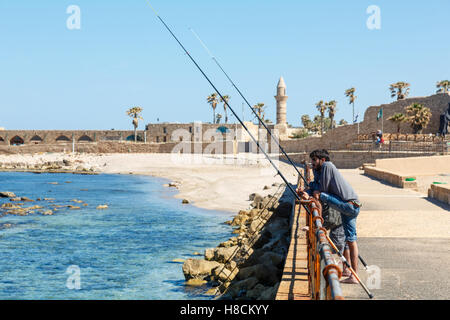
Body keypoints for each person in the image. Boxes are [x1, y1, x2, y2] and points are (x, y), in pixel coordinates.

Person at [298, 149, 361, 284]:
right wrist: (308, 190)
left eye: (314, 160)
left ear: (323, 160)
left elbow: (322, 190)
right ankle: (352, 274)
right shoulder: (324, 168)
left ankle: (352, 274)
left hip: (348, 205)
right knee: (350, 240)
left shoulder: (327, 166)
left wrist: (310, 194)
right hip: (352, 206)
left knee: (319, 195)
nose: (312, 163)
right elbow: (317, 185)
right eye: (312, 160)